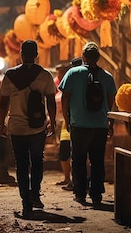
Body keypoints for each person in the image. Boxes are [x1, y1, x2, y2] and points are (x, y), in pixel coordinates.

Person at [0, 40, 56, 217]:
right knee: (37, 161)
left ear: (21, 55)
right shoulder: (45, 75)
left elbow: (2, 103)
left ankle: (26, 202)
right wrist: (52, 122)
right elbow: (51, 101)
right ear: (36, 55)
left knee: (21, 165)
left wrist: (1, 123)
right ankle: (35, 194)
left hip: (16, 128)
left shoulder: (9, 75)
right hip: (37, 128)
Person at [58, 42, 116, 206]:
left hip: (79, 124)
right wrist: (108, 122)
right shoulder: (107, 76)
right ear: (98, 57)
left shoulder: (73, 73)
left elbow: (65, 97)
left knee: (78, 159)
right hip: (100, 125)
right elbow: (111, 101)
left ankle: (80, 193)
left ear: (83, 57)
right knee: (97, 160)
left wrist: (67, 119)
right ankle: (96, 194)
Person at [54, 58, 82, 190]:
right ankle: (70, 179)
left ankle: (77, 182)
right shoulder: (61, 82)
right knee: (66, 152)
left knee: (75, 153)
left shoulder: (72, 79)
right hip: (68, 122)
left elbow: (65, 100)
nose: (58, 75)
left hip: (73, 121)